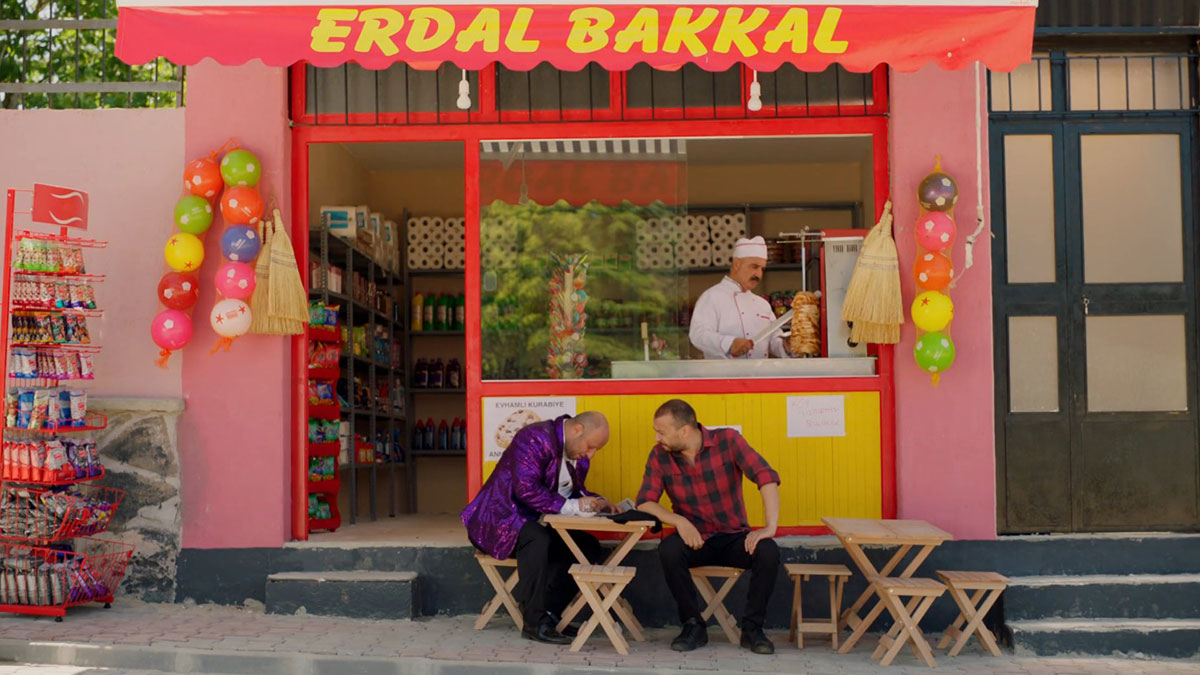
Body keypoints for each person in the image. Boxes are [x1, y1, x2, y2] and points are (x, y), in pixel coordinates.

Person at [635, 399, 782, 655]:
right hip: (695, 540)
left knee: (768, 551)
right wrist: (680, 521)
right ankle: (693, 626)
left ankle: (752, 629)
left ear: (684, 431)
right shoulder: (659, 455)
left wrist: (770, 527)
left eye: (661, 431)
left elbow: (766, 476)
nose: (657, 438)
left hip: (734, 537)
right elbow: (645, 502)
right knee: (669, 550)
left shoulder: (728, 440)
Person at [461, 411, 617, 644]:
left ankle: (551, 615)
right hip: (498, 521)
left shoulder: (578, 454)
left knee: (587, 546)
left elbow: (571, 492)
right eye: (591, 446)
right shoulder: (534, 438)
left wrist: (598, 501)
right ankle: (533, 622)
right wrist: (572, 504)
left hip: (537, 523)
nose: (591, 454)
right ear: (577, 430)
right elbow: (526, 489)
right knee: (537, 539)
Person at [689, 235, 791, 359]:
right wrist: (729, 343)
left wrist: (786, 346)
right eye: (754, 267)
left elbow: (773, 339)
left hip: (758, 376)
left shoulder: (762, 304)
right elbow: (698, 335)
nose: (758, 274)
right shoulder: (712, 297)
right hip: (725, 376)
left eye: (762, 269)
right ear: (737, 264)